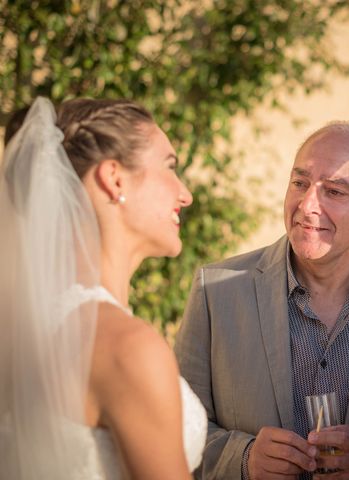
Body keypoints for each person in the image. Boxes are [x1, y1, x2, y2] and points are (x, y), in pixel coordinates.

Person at [175, 122, 349, 479]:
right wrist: (243, 459)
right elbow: (172, 433)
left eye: (334, 192)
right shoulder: (215, 292)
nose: (307, 206)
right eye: (299, 183)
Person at [0, 97, 207, 479]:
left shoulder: (18, 328)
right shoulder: (127, 347)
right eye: (169, 166)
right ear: (114, 179)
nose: (185, 194)